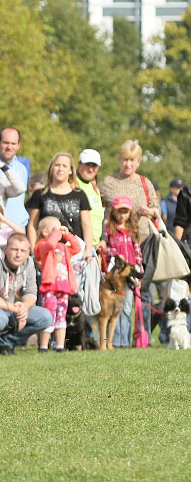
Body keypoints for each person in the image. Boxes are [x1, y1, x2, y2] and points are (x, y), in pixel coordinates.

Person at [98, 140, 160, 344]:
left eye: (132, 160)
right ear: (119, 159)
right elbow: (99, 209)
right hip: (117, 246)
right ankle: (118, 339)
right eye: (124, 159)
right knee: (117, 293)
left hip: (142, 242)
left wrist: (149, 211)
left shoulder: (144, 182)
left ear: (138, 162)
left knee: (143, 291)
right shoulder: (108, 182)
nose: (128, 164)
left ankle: (143, 337)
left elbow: (156, 210)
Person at [26, 152, 93, 258]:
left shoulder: (80, 195)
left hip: (73, 252)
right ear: (51, 168)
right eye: (57, 165)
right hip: (47, 252)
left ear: (71, 170)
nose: (60, 168)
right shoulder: (40, 194)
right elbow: (32, 225)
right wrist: (34, 252)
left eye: (64, 166)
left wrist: (88, 249)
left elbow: (87, 225)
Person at [34, 217, 82, 353]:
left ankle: (60, 346)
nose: (59, 230)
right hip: (50, 287)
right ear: (44, 232)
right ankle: (43, 346)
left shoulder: (62, 247)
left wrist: (67, 234)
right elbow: (49, 244)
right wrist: (56, 233)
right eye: (55, 228)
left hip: (63, 288)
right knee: (49, 316)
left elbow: (76, 248)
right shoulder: (42, 245)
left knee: (61, 317)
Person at [104, 196, 144, 348]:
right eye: (119, 212)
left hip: (129, 275)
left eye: (125, 212)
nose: (122, 215)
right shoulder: (110, 228)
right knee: (114, 308)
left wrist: (139, 269)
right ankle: (113, 340)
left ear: (130, 213)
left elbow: (137, 251)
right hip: (116, 277)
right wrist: (114, 253)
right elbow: (107, 247)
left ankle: (124, 341)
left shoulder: (132, 230)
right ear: (114, 212)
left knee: (126, 308)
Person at [75, 149, 105, 249]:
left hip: (95, 246)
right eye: (88, 164)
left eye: (94, 166)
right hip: (78, 245)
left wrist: (103, 239)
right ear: (79, 164)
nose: (91, 169)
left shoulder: (95, 188)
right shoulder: (73, 183)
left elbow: (100, 216)